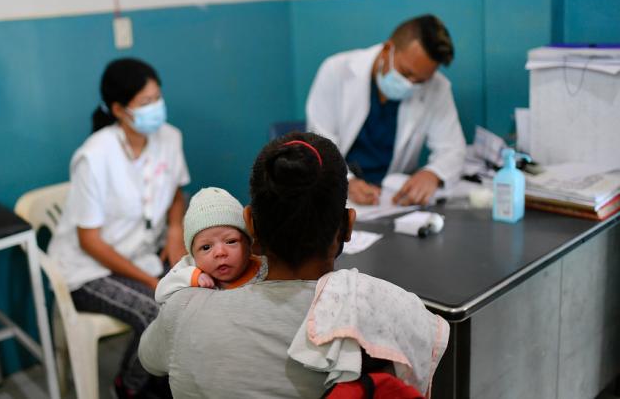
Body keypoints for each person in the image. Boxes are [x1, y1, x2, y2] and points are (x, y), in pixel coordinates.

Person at [138, 133, 447, 398]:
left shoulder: (182, 309)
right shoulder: (385, 317)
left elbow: (149, 359)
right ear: (347, 226)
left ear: (250, 226)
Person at [48, 57, 189, 397]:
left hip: (143, 255)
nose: (155, 107)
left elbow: (175, 191)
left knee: (194, 292)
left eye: (158, 97)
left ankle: (169, 381)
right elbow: (89, 241)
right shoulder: (94, 157)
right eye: (145, 102)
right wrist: (150, 281)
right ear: (118, 109)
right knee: (155, 307)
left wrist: (174, 232)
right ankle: (129, 387)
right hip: (89, 268)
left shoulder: (169, 138)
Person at [306, 14, 466, 206]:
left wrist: (433, 173)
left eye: (421, 81)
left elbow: (453, 149)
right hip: (339, 192)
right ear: (387, 50)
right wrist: (347, 181)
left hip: (392, 199)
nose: (410, 85)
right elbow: (319, 142)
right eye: (406, 73)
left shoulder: (437, 87)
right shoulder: (337, 71)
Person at [154, 186, 267, 303]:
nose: (220, 252)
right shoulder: (192, 268)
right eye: (206, 247)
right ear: (193, 254)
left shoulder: (264, 267)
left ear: (249, 244)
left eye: (231, 241)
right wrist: (192, 277)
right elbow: (160, 294)